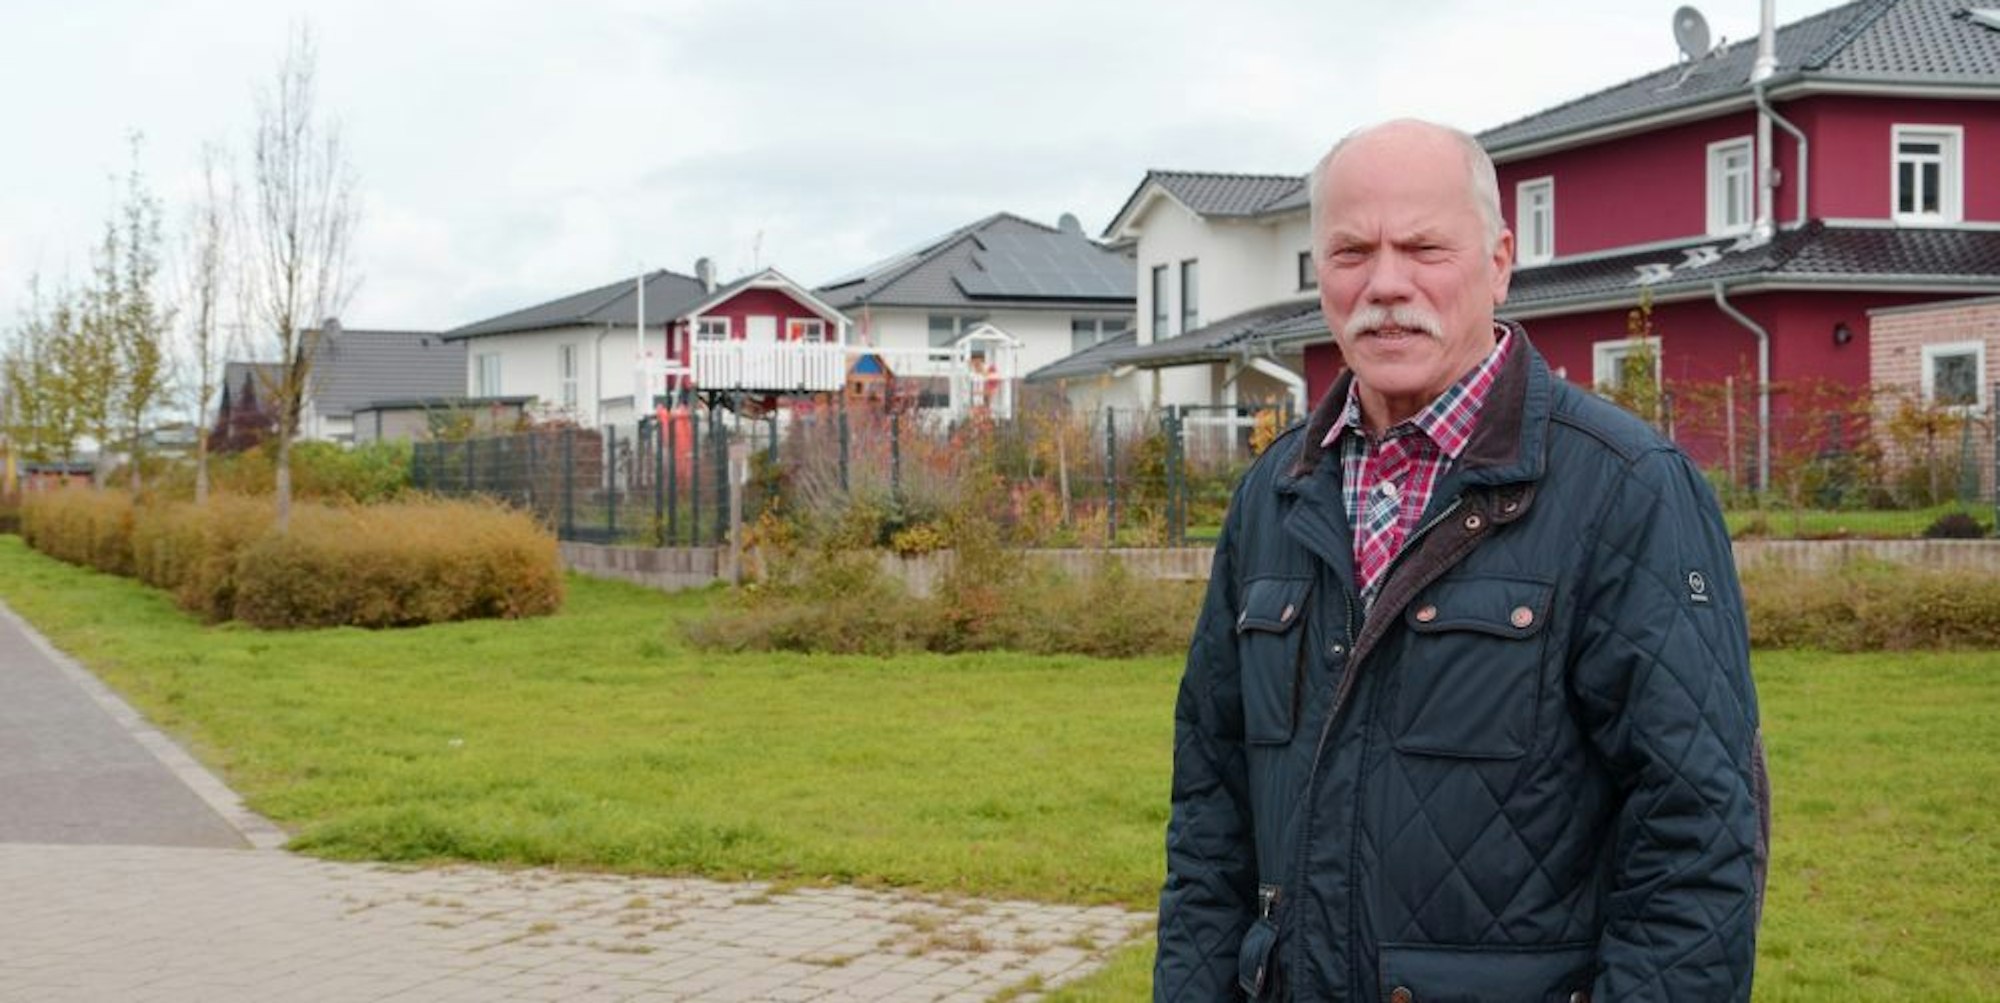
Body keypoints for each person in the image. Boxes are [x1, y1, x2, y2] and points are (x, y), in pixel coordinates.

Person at [1153, 119, 1769, 1002]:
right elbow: (1211, 819)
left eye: (1424, 248)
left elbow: (1697, 843)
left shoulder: (1626, 490)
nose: (1385, 284)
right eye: (1351, 251)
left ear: (1499, 261)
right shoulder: (1277, 494)